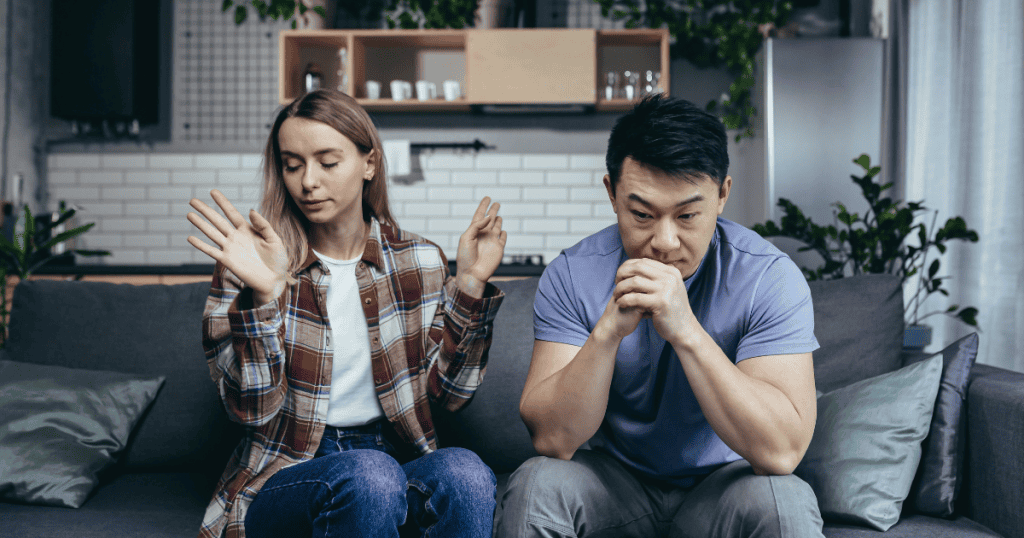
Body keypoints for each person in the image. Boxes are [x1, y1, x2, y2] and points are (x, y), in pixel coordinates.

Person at [495, 94, 824, 538]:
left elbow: (782, 453)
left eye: (688, 215)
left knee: (785, 501)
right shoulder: (573, 274)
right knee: (538, 483)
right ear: (611, 194)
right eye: (642, 215)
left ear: (723, 194)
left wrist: (687, 333)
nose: (665, 242)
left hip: (724, 489)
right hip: (615, 485)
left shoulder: (769, 278)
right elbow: (553, 440)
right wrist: (608, 333)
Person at [186, 89, 507, 538]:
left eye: (327, 162)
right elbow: (250, 410)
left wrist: (469, 286)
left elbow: (451, 396)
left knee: (464, 472)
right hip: (287, 473)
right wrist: (262, 297)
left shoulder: (420, 261)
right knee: (368, 474)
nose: (308, 181)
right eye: (292, 164)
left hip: (394, 460)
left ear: (369, 164)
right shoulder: (251, 264)